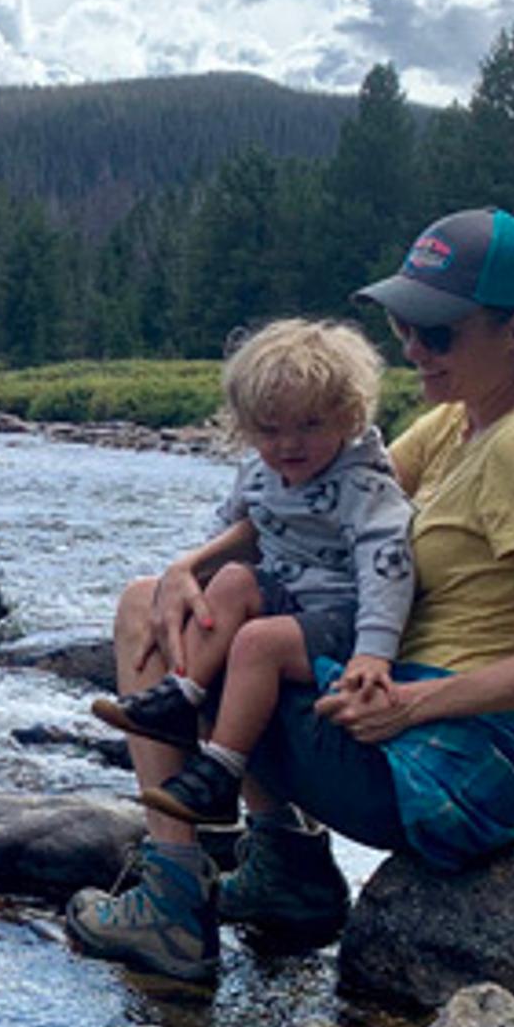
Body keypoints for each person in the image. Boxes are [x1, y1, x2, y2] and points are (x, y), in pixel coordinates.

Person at [67, 206, 514, 982]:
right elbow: (315, 508)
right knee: (171, 597)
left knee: (174, 625)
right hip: (414, 739)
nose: (413, 348)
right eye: (405, 325)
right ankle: (287, 873)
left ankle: (173, 905)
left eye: (438, 333)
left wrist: (417, 704)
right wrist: (190, 566)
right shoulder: (457, 422)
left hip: (448, 767)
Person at [89, 318, 414, 830]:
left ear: (348, 416)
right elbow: (226, 530)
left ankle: (221, 767)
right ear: (245, 425)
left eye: (310, 425)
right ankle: (183, 697)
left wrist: (375, 649)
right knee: (233, 582)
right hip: (283, 598)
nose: (289, 444)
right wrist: (192, 578)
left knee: (257, 641)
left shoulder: (364, 487)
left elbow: (386, 568)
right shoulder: (259, 473)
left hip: (339, 617)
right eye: (270, 429)